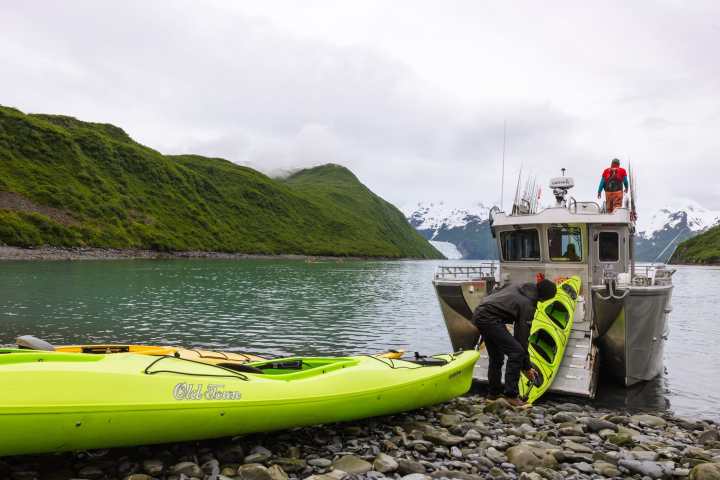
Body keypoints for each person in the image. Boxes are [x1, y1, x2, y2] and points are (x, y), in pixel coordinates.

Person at [471, 279, 557, 406]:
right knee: (516, 352)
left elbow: (495, 291)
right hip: (490, 319)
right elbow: (521, 338)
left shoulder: (518, 284)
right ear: (544, 298)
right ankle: (511, 395)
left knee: (497, 356)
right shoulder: (528, 304)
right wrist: (527, 367)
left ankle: (493, 394)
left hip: (480, 313)